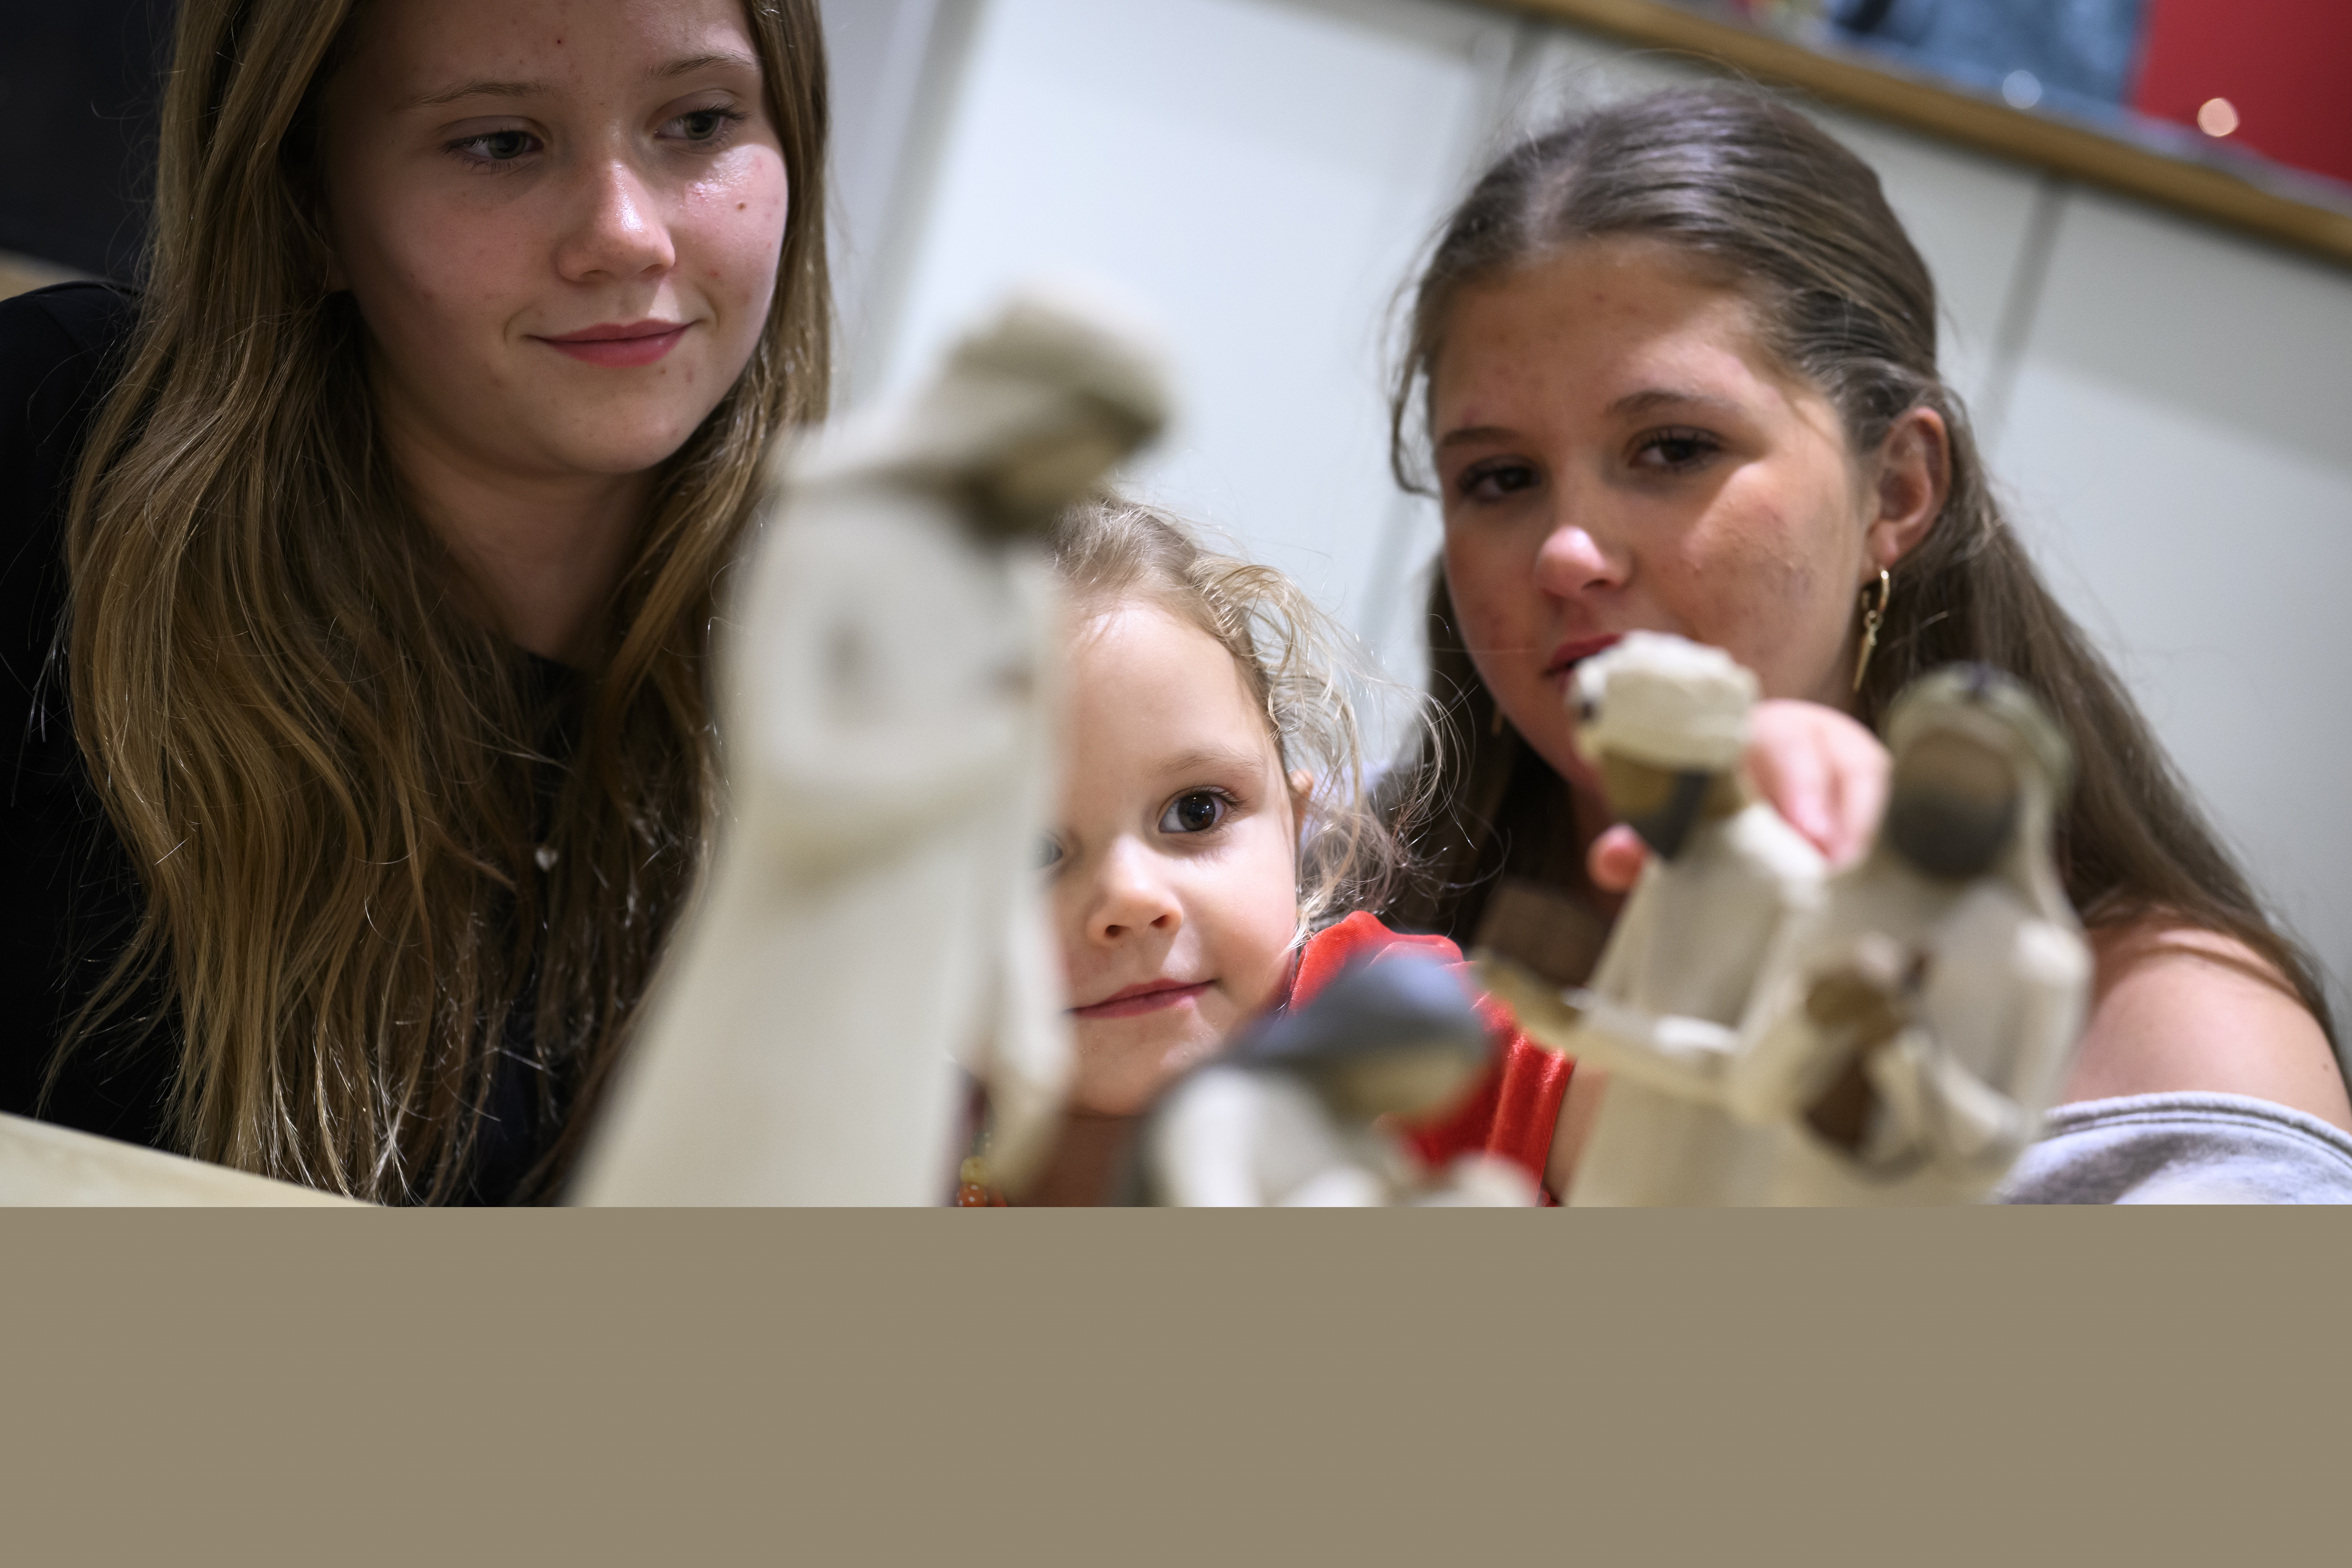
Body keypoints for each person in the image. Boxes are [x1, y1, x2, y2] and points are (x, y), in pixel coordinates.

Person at [1378, 83, 2349, 1199]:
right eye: (1498, 478)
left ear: (1893, 488)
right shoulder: (1294, 892)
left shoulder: (2180, 1050)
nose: (1566, 553)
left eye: (1673, 448)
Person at [0, 0, 832, 1202]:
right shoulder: (61, 449)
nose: (626, 235)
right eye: (499, 143)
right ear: (307, 208)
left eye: (698, 122)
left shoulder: (857, 681)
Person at [993, 499, 1574, 1205]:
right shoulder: (888, 1139)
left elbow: (1674, 1113)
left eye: (1196, 812)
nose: (1132, 897)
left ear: (1292, 823)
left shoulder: (1399, 1039)